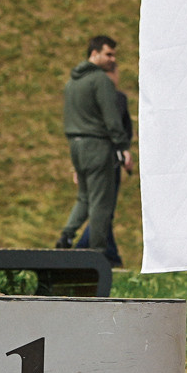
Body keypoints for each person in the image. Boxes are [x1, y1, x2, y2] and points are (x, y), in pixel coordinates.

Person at [56, 34, 132, 264]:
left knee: (84, 198)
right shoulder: (101, 81)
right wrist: (121, 146)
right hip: (98, 146)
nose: (112, 59)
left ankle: (66, 236)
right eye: (108, 54)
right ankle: (97, 256)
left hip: (75, 145)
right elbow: (111, 118)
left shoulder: (72, 82)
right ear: (94, 53)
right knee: (101, 202)